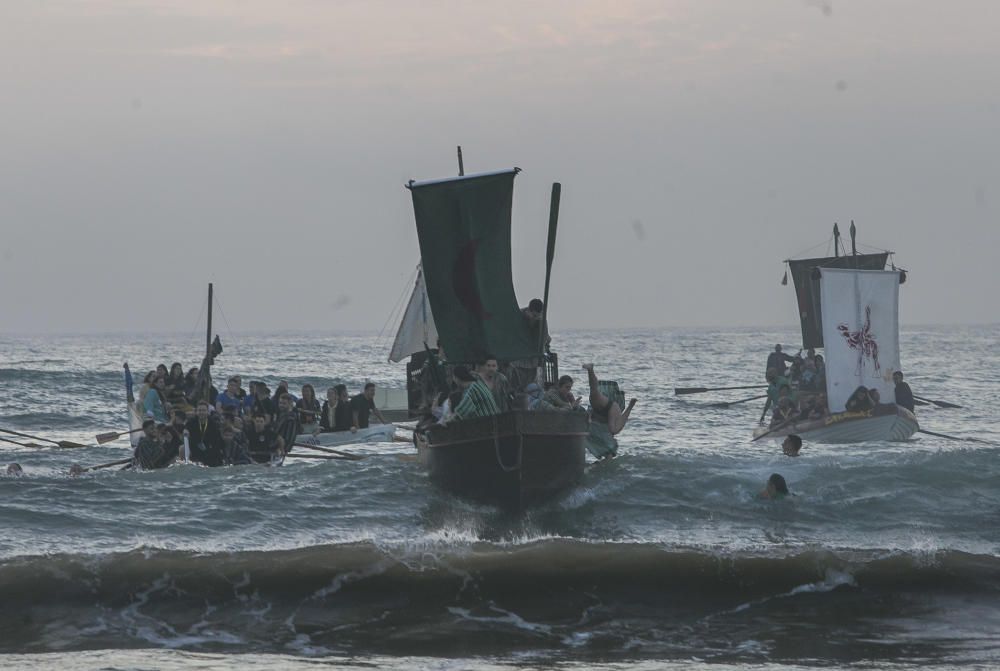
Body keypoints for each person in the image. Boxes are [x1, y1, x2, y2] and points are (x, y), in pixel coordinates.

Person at [582, 363, 637, 459]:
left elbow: (620, 423)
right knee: (594, 392)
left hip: (610, 409)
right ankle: (590, 369)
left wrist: (630, 407)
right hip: (608, 409)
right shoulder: (608, 437)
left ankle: (590, 370)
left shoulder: (610, 433)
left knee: (594, 392)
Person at [185, 400, 224, 467]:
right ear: (196, 412)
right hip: (195, 449)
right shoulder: (191, 422)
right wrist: (185, 431)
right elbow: (186, 429)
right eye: (199, 410)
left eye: (203, 410)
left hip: (210, 450)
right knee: (182, 448)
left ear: (207, 412)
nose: (201, 412)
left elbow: (217, 443)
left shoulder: (213, 424)